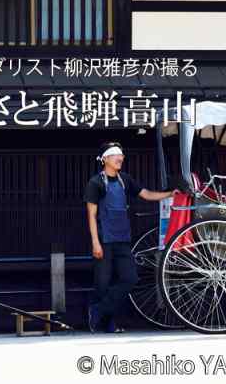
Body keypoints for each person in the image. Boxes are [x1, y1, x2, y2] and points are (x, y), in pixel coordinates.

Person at [83, 141, 175, 333]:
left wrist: (170, 194)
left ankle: (98, 310)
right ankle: (109, 323)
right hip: (104, 240)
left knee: (130, 278)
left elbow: (147, 194)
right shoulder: (96, 183)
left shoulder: (125, 179)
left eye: (121, 154)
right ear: (105, 159)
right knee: (103, 283)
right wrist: (95, 242)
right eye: (116, 154)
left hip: (123, 238)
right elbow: (91, 215)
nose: (121, 158)